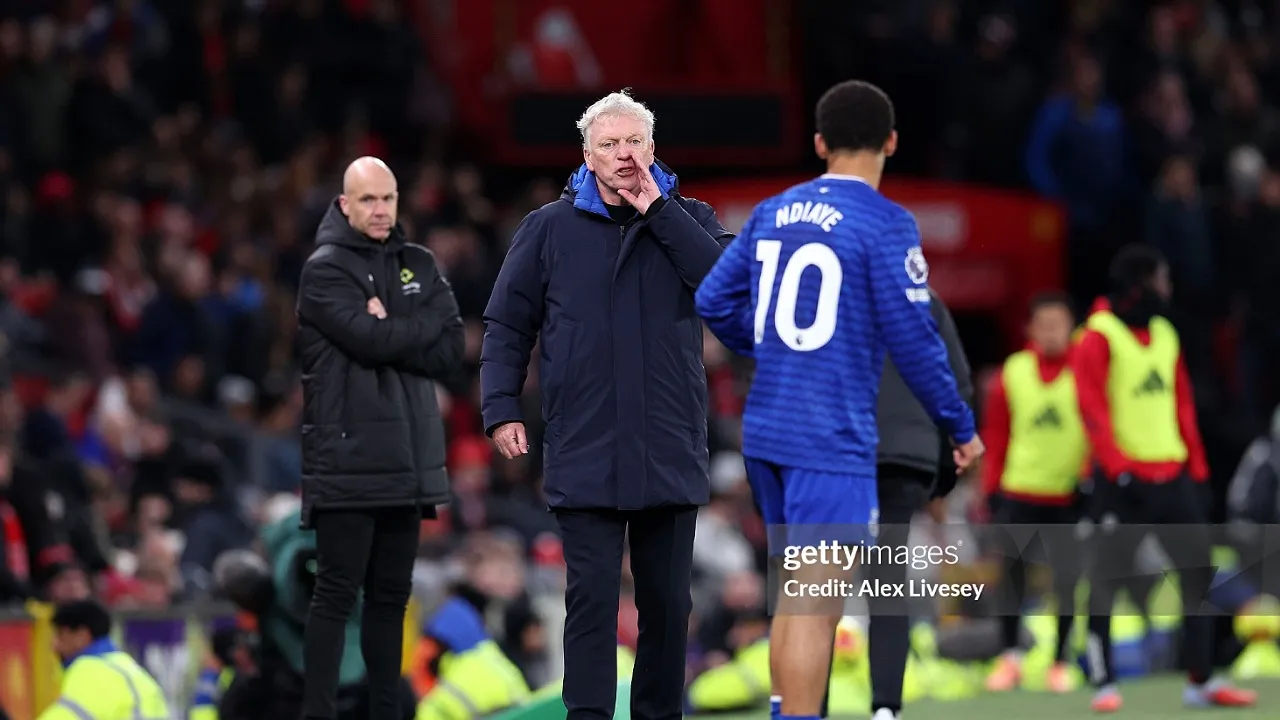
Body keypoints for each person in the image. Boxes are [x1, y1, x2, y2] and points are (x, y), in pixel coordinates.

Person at [694, 80, 982, 720]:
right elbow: (915, 338)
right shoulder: (886, 222)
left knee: (794, 593)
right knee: (816, 600)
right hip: (831, 437)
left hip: (765, 431)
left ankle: (785, 711)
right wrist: (959, 425)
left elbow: (712, 299)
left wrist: (770, 347)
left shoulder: (772, 210)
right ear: (892, 142)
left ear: (820, 142)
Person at [481, 90, 732, 720]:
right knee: (589, 602)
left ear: (653, 149)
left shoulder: (691, 218)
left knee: (669, 607)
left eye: (633, 143)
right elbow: (507, 325)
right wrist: (501, 407)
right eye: (609, 145)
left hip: (668, 443)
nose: (623, 155)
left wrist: (660, 212)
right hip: (584, 444)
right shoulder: (547, 229)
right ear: (587, 157)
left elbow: (731, 287)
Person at [296, 156, 464, 720]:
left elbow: (450, 348)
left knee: (391, 599)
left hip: (409, 458)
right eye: (368, 200)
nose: (380, 210)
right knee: (338, 594)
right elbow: (367, 341)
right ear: (345, 205)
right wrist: (409, 327)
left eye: (388, 198)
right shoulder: (325, 270)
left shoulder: (417, 261)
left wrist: (391, 324)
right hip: (347, 458)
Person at [1071, 245, 1256, 712]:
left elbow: (1182, 406)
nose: (1168, 289)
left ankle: (1201, 680)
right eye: (1162, 279)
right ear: (1140, 285)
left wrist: (1197, 471)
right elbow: (1092, 408)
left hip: (1172, 476)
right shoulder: (1097, 336)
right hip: (1125, 482)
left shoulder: (1166, 333)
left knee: (1198, 577)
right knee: (1107, 582)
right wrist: (1118, 468)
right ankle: (1103, 682)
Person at [866, 287, 973, 720]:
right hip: (906, 458)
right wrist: (944, 472)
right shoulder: (925, 298)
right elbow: (955, 382)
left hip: (842, 454)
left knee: (820, 586)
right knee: (887, 587)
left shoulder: (833, 288)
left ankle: (808, 707)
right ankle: (886, 708)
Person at [974, 293, 1087, 694]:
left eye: (1059, 323)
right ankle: (1010, 658)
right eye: (1044, 324)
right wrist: (990, 489)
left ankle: (1060, 660)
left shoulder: (1086, 369)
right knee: (1010, 579)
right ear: (1031, 329)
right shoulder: (1014, 372)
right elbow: (997, 433)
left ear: (1072, 326)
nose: (1052, 332)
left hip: (1069, 494)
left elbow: (1098, 425)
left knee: (1068, 581)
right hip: (1019, 490)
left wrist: (1090, 477)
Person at [37, 599, 169, 720]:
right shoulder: (129, 667)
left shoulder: (89, 670)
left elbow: (65, 716)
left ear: (82, 636)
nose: (54, 645)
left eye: (60, 635)